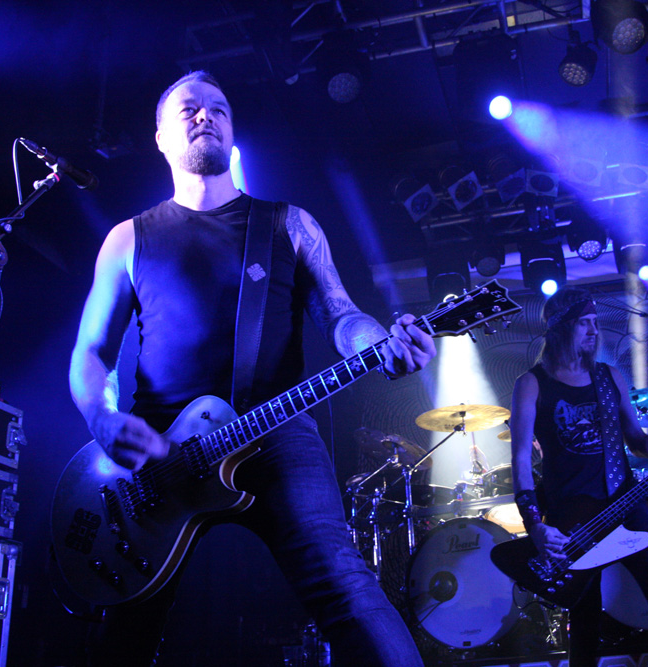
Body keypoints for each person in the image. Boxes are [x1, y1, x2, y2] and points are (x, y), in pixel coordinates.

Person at [68, 70, 434, 666]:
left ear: (232, 131)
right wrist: (102, 418)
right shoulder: (128, 239)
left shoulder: (290, 224)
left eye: (218, 108)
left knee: (346, 589)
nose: (205, 115)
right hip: (158, 448)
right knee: (127, 624)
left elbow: (342, 317)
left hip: (275, 430)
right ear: (159, 138)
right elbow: (92, 352)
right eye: (189, 108)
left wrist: (383, 343)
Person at [508, 286, 648, 667]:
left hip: (625, 505)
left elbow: (638, 443)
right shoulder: (532, 384)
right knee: (585, 624)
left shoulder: (609, 378)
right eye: (584, 323)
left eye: (596, 322)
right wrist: (535, 525)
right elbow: (521, 459)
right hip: (571, 519)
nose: (594, 330)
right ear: (561, 327)